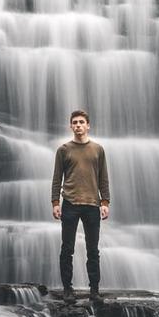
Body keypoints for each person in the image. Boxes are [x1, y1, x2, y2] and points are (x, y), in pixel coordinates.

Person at [51, 110, 110, 303]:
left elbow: (103, 178)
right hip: (70, 203)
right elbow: (56, 178)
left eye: (81, 122)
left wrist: (105, 202)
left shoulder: (98, 149)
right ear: (71, 126)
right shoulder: (63, 150)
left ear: (88, 125)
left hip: (92, 204)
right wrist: (55, 203)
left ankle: (94, 290)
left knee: (93, 250)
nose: (78, 125)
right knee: (67, 249)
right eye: (75, 122)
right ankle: (68, 289)